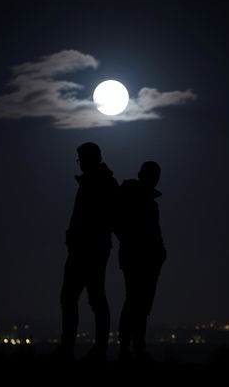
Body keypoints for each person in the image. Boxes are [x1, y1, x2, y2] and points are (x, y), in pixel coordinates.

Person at [60, 142, 119, 361]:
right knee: (78, 299)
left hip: (90, 250)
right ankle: (76, 349)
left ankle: (92, 349)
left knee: (90, 298)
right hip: (83, 249)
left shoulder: (102, 184)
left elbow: (108, 218)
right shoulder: (96, 183)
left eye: (81, 159)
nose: (80, 163)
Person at [116, 161, 166, 361]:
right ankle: (129, 349)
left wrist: (159, 252)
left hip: (147, 260)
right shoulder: (132, 199)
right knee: (135, 303)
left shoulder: (148, 203)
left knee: (141, 305)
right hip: (137, 258)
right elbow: (119, 225)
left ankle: (135, 348)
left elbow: (154, 233)